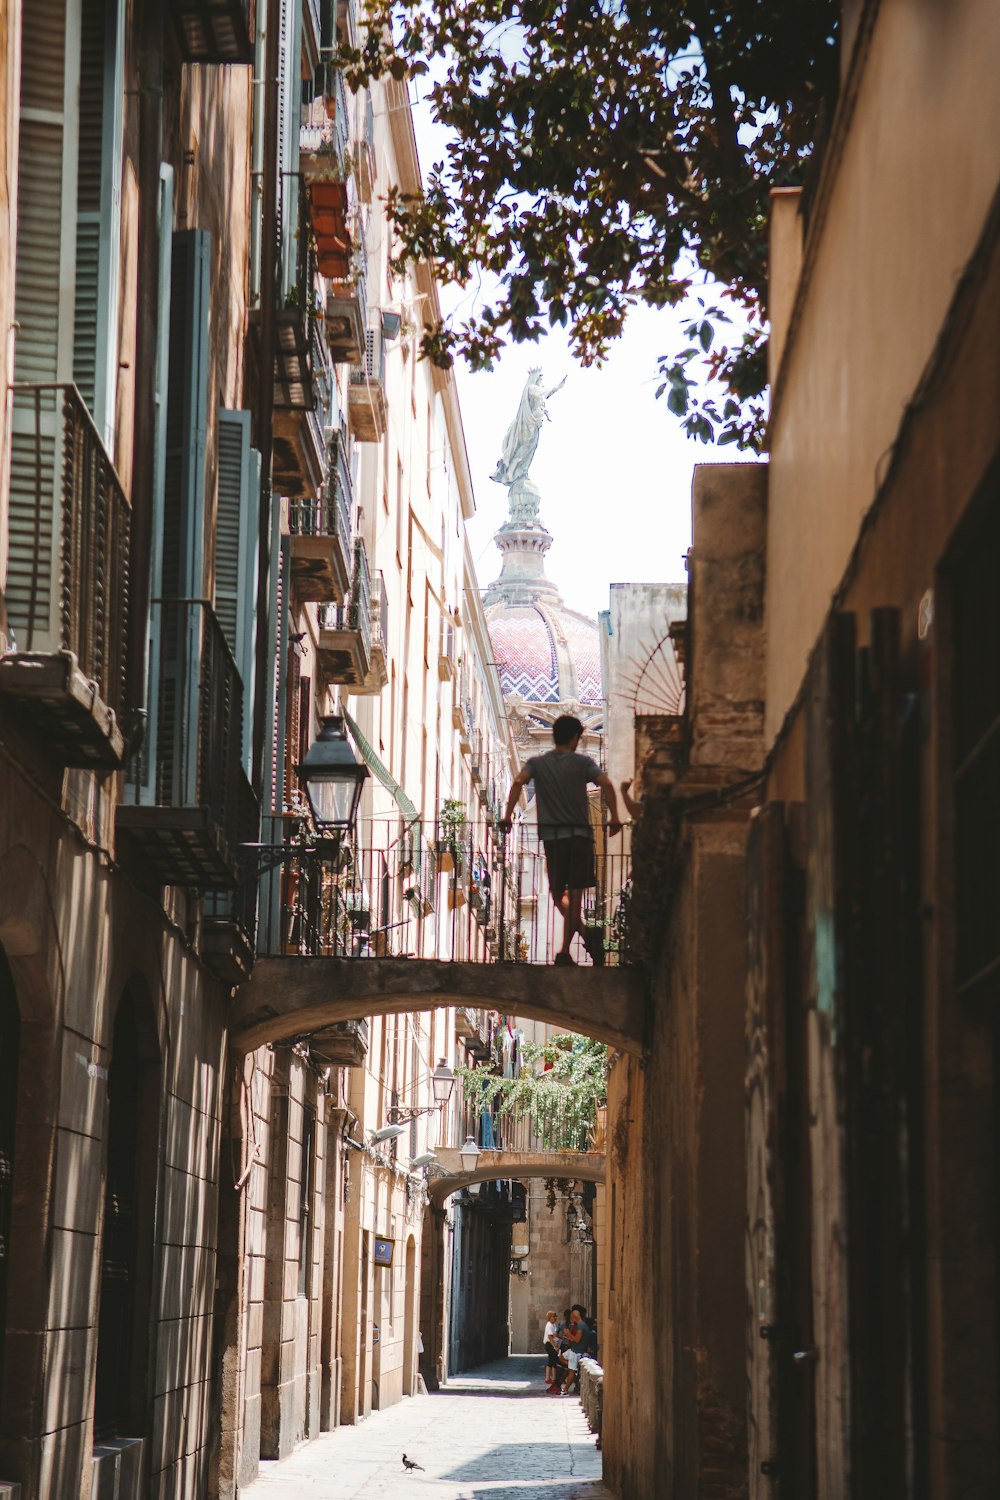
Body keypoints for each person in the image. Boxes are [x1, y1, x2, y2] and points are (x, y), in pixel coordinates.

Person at [501, 716, 622, 966]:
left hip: (552, 838)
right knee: (576, 893)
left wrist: (506, 816)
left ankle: (569, 947)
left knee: (559, 895)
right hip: (579, 836)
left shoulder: (537, 762)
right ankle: (582, 939)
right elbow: (607, 784)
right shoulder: (583, 762)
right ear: (576, 738)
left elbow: (516, 782)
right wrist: (615, 818)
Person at [543, 1309, 560, 1389]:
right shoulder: (549, 1325)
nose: (555, 1318)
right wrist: (555, 1346)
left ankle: (553, 1378)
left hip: (552, 1344)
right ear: (550, 1317)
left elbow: (554, 1335)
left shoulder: (553, 1325)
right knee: (552, 1360)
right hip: (550, 1344)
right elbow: (549, 1337)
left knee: (553, 1361)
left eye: (556, 1316)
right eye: (554, 1316)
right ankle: (549, 1378)